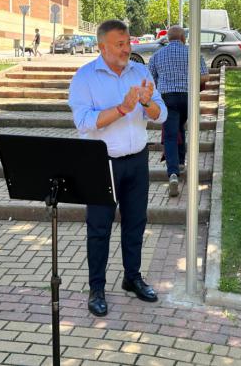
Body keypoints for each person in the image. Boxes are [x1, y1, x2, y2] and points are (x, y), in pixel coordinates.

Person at [68, 19, 167, 317]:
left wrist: (147, 103)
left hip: (137, 161)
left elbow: (160, 116)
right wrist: (123, 109)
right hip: (101, 164)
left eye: (128, 43)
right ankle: (96, 288)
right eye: (120, 44)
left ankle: (132, 277)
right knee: (99, 229)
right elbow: (84, 122)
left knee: (136, 223)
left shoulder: (140, 71)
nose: (127, 49)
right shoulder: (84, 77)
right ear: (102, 47)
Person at [148, 25, 209, 197]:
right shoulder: (193, 53)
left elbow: (150, 79)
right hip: (188, 96)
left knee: (170, 134)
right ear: (183, 38)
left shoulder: (157, 55)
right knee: (180, 126)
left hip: (167, 98)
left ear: (167, 38)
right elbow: (205, 76)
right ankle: (181, 162)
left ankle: (173, 172)